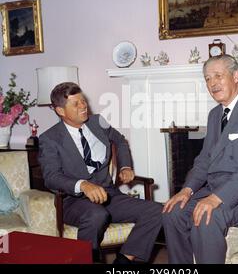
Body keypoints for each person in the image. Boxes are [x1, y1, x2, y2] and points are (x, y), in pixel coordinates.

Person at [162, 54, 238, 264]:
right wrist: (186, 190)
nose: (212, 83)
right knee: (173, 212)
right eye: (207, 78)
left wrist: (216, 198)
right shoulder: (214, 115)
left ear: (236, 76)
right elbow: (205, 159)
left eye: (218, 75)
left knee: (208, 216)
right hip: (216, 190)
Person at [38, 82, 162, 264]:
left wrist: (125, 166)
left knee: (157, 210)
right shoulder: (49, 139)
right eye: (76, 104)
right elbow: (51, 177)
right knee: (97, 215)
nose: (83, 106)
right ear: (60, 111)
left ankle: (124, 261)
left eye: (83, 100)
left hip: (109, 194)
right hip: (73, 201)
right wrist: (83, 185)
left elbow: (120, 141)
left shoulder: (98, 122)